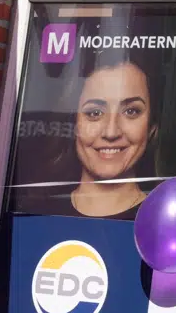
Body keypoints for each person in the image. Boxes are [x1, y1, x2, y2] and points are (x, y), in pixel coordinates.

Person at [21, 52, 161, 219]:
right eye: (94, 112)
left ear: (152, 127)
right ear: (73, 124)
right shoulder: (33, 216)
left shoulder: (166, 224)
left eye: (131, 111)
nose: (111, 132)